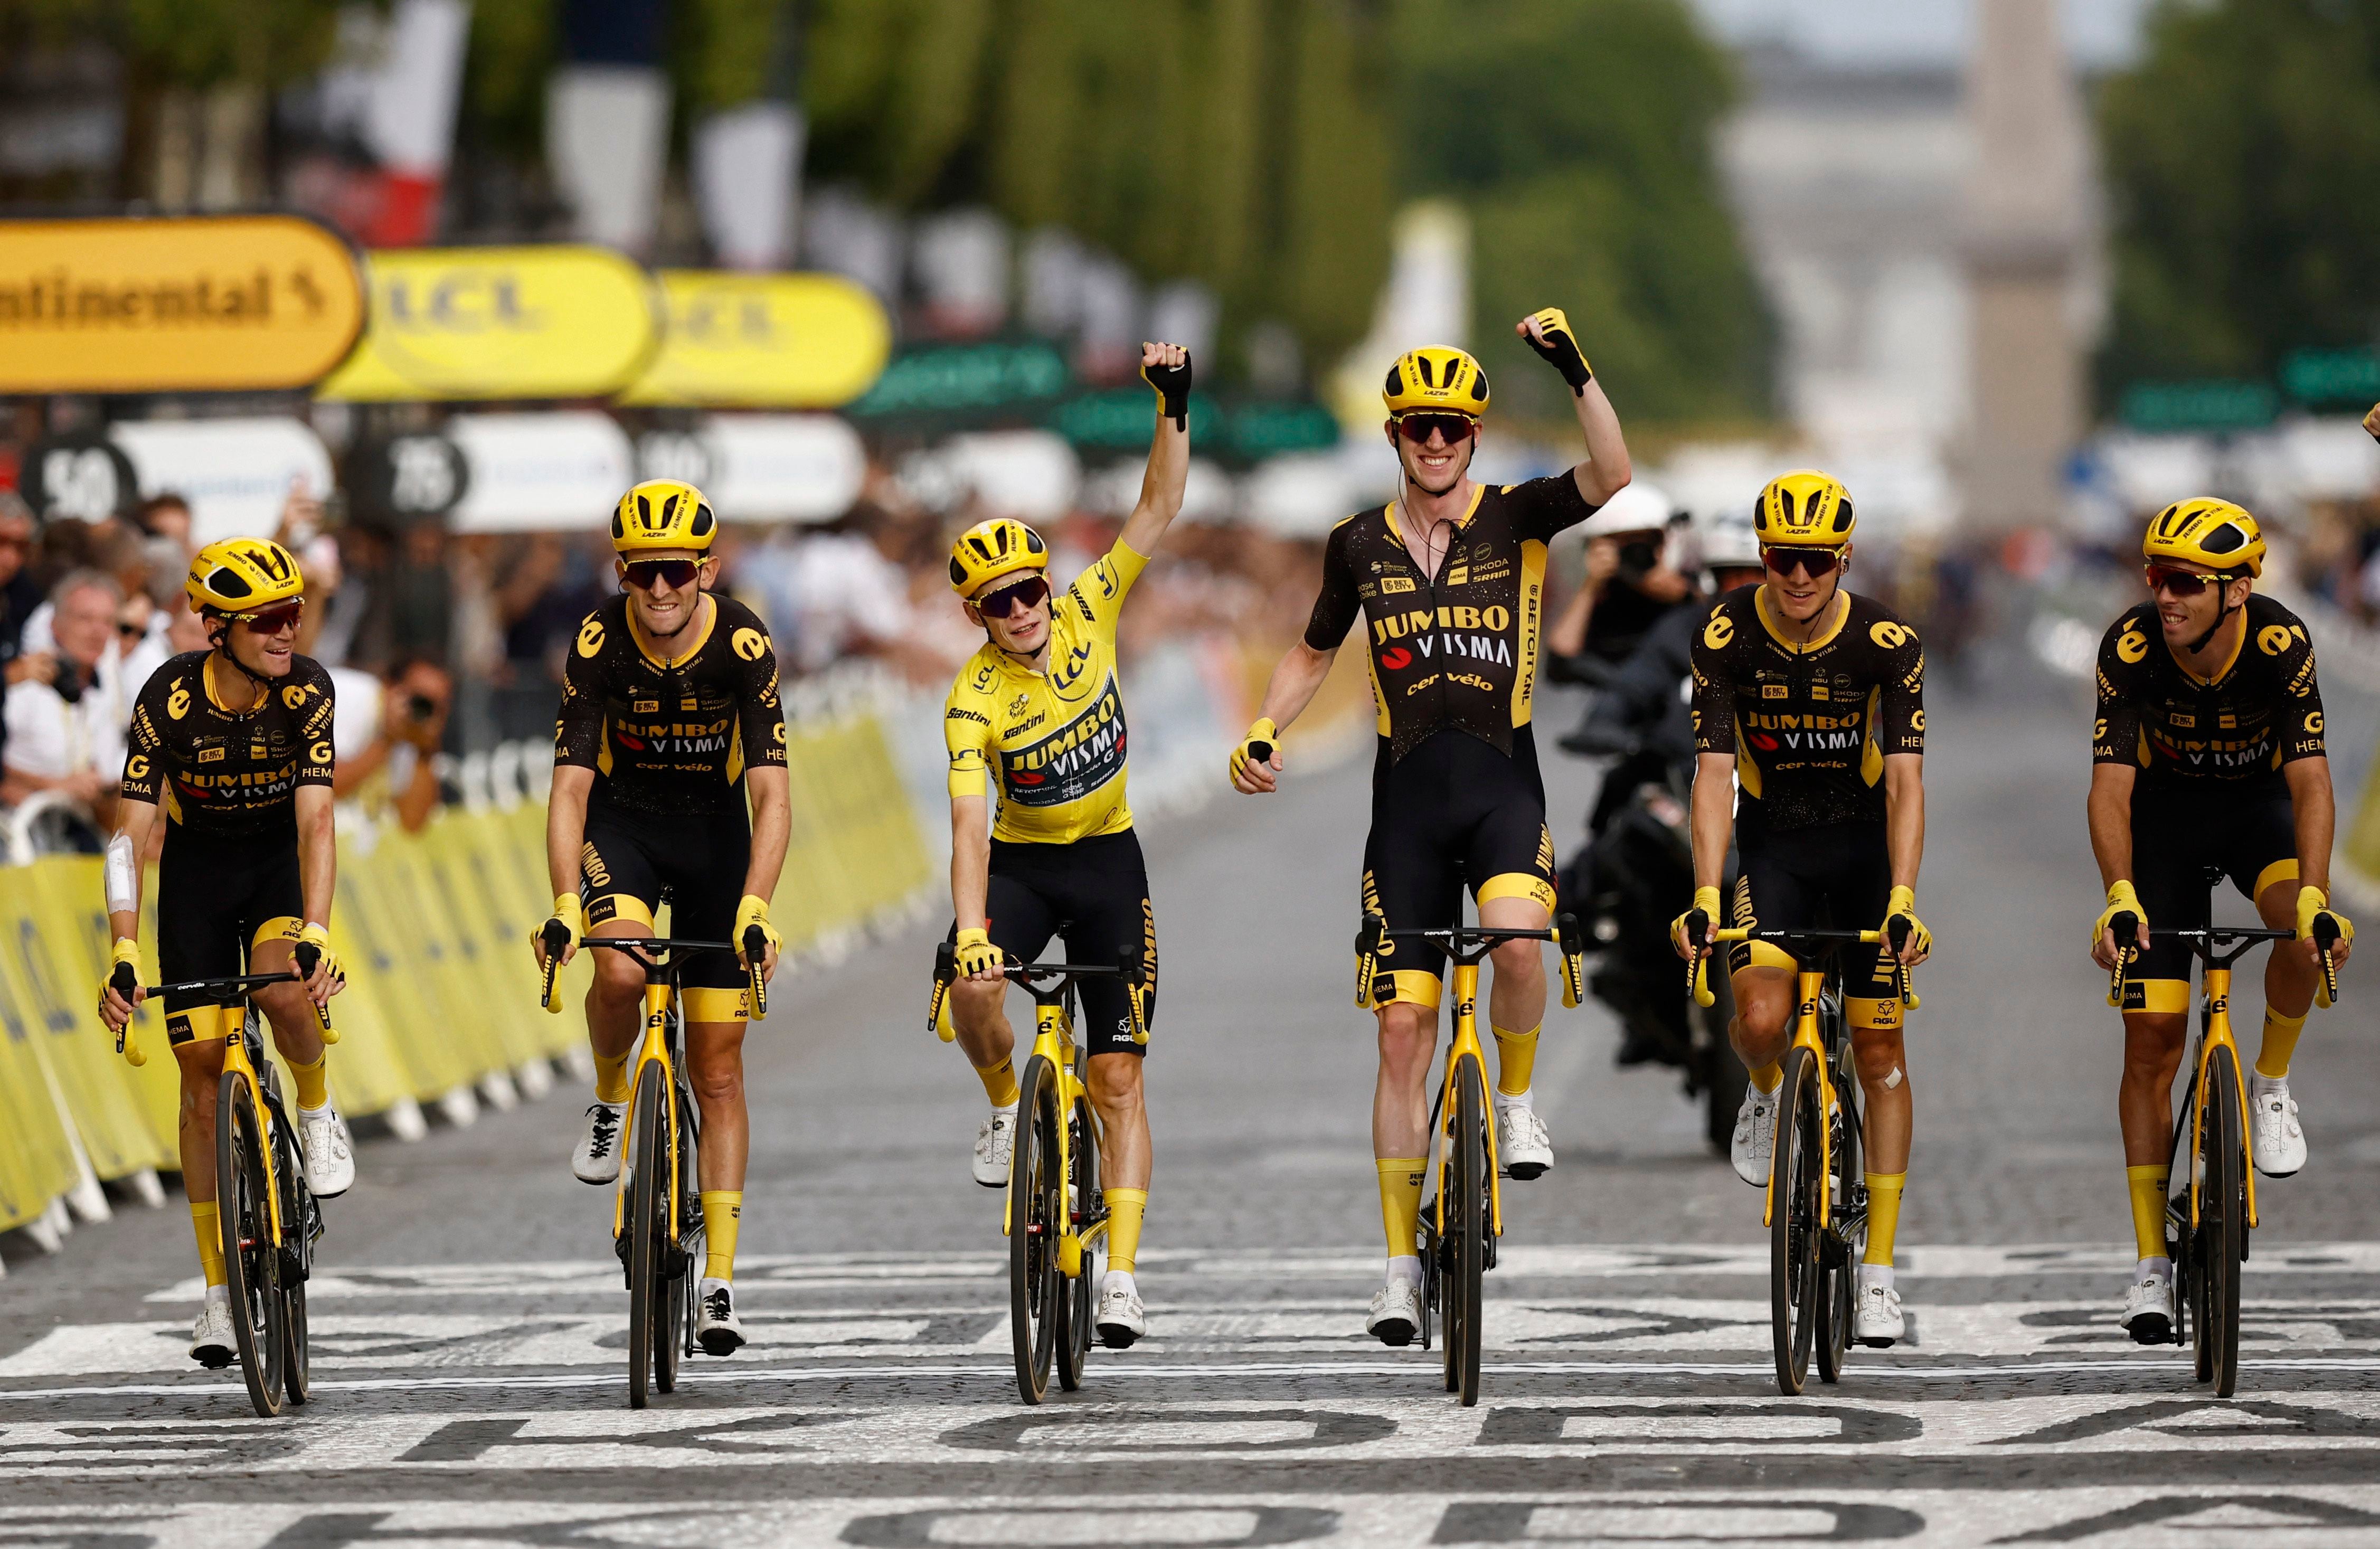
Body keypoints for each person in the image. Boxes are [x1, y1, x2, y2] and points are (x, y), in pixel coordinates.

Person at [1230, 308, 1635, 1345]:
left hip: (1504, 789)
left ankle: (1512, 1102)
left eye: (1454, 428)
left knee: (1517, 939)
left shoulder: (1517, 518)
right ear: (1396, 438)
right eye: (1420, 428)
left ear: (1476, 439)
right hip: (1404, 809)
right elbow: (1312, 652)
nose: (1437, 443)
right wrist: (1267, 726)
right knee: (1401, 1032)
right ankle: (1400, 1267)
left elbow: (1615, 473)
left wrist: (1573, 369)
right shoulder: (1355, 544)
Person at [941, 342, 1193, 1350]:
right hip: (1023, 865)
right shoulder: (971, 697)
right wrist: (970, 930)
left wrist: (1173, 402)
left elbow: (1156, 506)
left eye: (1028, 591)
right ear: (975, 615)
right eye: (998, 603)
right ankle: (1007, 1105)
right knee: (971, 990)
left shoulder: (1090, 606)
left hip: (1108, 859)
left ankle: (1122, 1272)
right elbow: (966, 821)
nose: (1022, 612)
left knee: (1115, 1077)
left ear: (1050, 585)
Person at [1671, 470, 1930, 1349]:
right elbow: (1709, 776)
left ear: (1842, 559)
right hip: (1773, 845)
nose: (1797, 577)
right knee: (1757, 1012)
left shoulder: (1886, 643)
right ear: (1761, 556)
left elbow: (1903, 780)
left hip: (1861, 855)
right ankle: (1762, 1089)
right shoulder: (1724, 635)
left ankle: (1883, 1270)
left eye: (1815, 561)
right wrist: (1706, 891)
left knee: (1882, 1048)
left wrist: (1902, 896)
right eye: (1782, 559)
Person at [2085, 497, 2353, 1343]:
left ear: (2237, 591)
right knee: (2152, 1039)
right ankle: (2149, 1265)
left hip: (2254, 816)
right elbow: (2110, 786)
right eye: (2156, 577)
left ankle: (2269, 1083)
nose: (2164, 596)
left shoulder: (2281, 643)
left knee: (2304, 938)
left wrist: (2314, 895)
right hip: (2164, 827)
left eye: (2186, 583)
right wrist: (2119, 893)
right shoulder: (2130, 648)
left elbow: (2310, 781)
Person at [534, 479, 789, 1358]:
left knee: (716, 1071)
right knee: (618, 968)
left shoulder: (745, 641)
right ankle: (611, 1096)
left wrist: (756, 904)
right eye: (642, 574)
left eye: (677, 571)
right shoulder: (600, 639)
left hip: (716, 840)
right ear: (622, 573)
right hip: (625, 827)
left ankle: (719, 1274)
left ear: (707, 570)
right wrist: (567, 900)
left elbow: (771, 792)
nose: (661, 589)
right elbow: (568, 788)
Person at [96, 537, 353, 1367]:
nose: (288, 631)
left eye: (295, 613)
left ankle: (314, 1109)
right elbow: (127, 837)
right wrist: (124, 948)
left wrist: (316, 928)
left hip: (278, 863)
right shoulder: (169, 700)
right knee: (202, 1078)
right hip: (201, 875)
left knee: (281, 990)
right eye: (268, 620)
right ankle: (216, 1292)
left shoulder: (308, 689)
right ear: (216, 628)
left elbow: (317, 819)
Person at [2, 570, 132, 840]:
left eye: (107, 622)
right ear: (55, 625)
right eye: (85, 619)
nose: (97, 631)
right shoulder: (24, 682)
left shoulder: (105, 691)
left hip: (71, 833)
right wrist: (55, 786)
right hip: (14, 832)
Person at [1546, 483, 1695, 671]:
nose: (1635, 553)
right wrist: (1591, 586)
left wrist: (1638, 574)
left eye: (1644, 542)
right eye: (1622, 543)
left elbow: (1682, 593)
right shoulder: (1601, 598)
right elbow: (1561, 655)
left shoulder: (1691, 592)